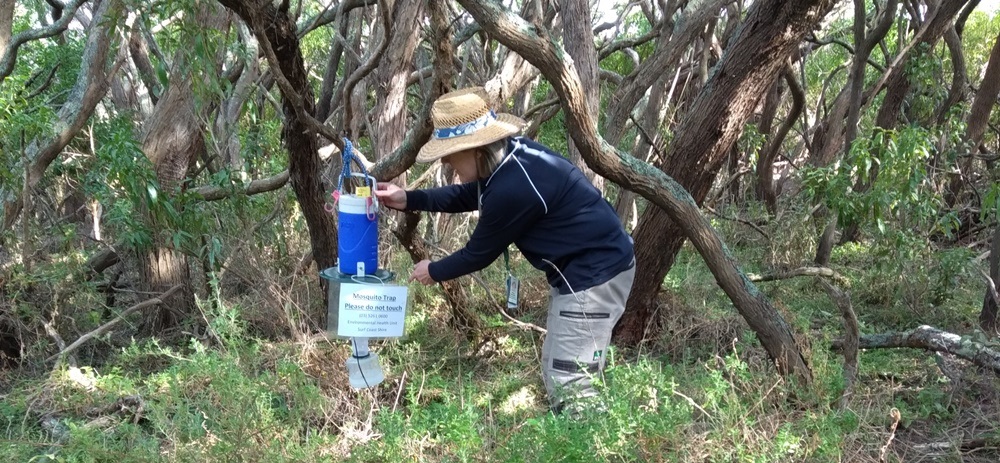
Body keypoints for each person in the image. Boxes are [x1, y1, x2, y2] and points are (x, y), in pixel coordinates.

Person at [375, 87, 635, 413]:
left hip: (595, 278)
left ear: (476, 149)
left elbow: (479, 253)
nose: (445, 161)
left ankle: (592, 447)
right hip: (588, 273)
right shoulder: (510, 159)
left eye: (450, 152)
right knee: (560, 371)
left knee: (573, 384)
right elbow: (468, 195)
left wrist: (434, 270)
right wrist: (408, 198)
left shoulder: (513, 186)